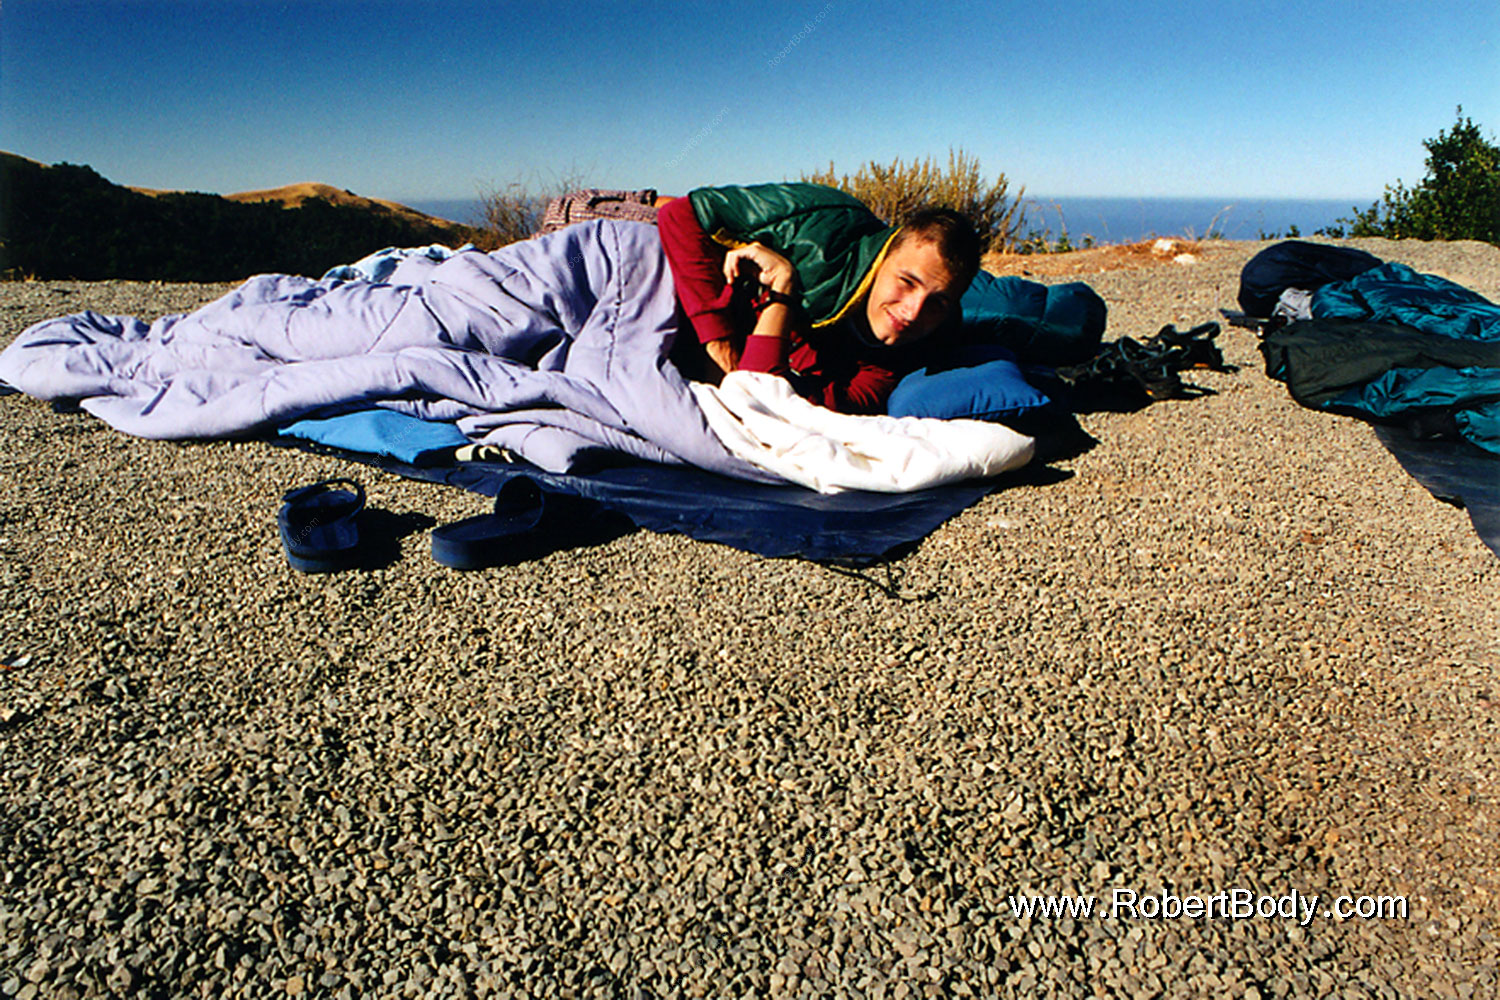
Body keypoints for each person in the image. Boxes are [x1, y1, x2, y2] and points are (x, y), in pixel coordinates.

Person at [658, 183, 982, 414]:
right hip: (660, 263)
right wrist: (719, 346)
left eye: (937, 303)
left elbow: (758, 401)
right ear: (882, 257)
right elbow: (681, 213)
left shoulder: (889, 366)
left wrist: (782, 288)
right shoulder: (820, 224)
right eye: (906, 281)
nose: (913, 312)